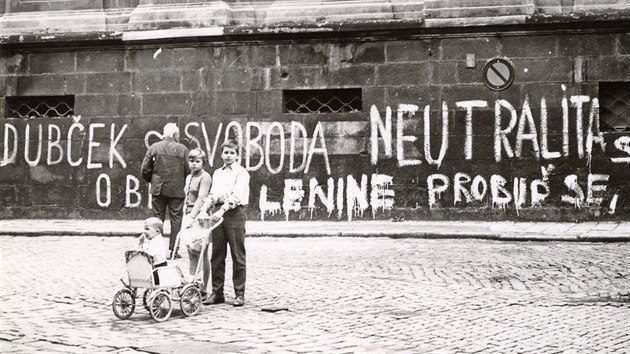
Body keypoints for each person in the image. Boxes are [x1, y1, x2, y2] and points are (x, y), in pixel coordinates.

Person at [199, 139, 250, 307]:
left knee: (237, 254)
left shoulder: (242, 173)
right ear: (221, 154)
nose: (228, 156)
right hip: (218, 214)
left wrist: (223, 210)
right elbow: (213, 194)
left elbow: (236, 195)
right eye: (226, 153)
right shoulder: (217, 173)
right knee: (217, 254)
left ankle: (239, 293)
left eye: (232, 153)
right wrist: (204, 209)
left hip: (234, 214)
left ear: (237, 155)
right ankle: (217, 293)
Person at [141, 122, 190, 259]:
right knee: (176, 220)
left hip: (158, 189)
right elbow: (188, 170)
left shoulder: (154, 148)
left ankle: (157, 249)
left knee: (157, 220)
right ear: (175, 135)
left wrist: (153, 180)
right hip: (177, 190)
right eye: (178, 134)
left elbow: (145, 169)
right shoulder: (183, 149)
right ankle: (173, 250)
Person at [180, 148, 212, 275]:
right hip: (188, 215)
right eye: (191, 161)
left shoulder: (205, 177)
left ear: (203, 162)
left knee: (200, 250)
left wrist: (192, 217)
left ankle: (202, 284)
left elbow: (201, 198)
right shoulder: (189, 177)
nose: (194, 163)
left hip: (199, 217)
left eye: (197, 161)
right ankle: (193, 280)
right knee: (190, 250)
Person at [137, 217, 168, 284]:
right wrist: (140, 243)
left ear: (157, 231)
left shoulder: (159, 241)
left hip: (158, 266)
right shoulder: (147, 239)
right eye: (144, 229)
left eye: (147, 229)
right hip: (149, 265)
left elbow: (152, 253)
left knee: (157, 283)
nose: (144, 231)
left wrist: (143, 253)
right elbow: (139, 249)